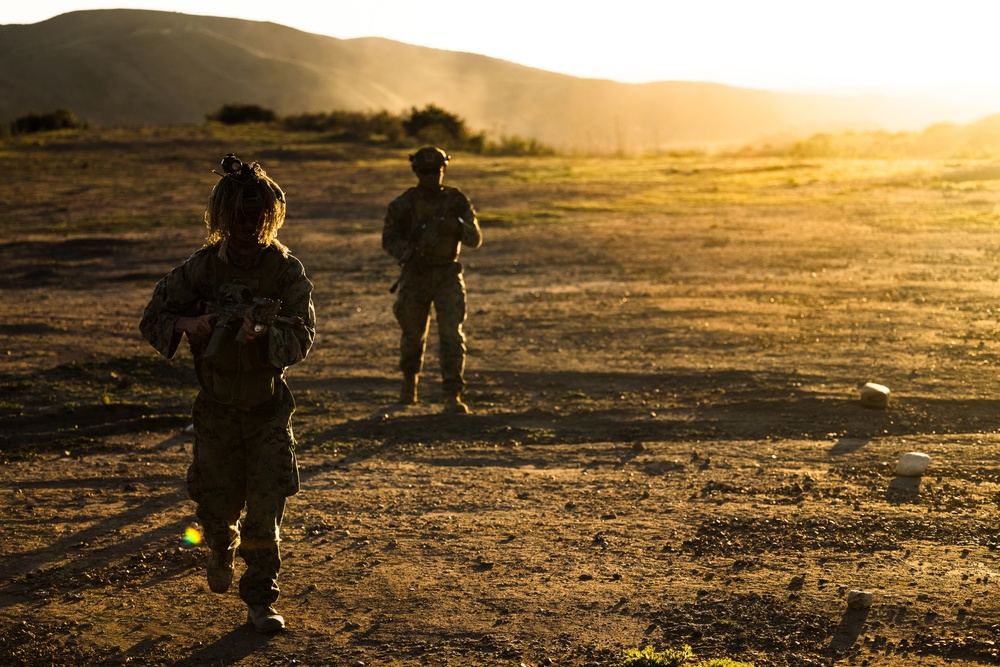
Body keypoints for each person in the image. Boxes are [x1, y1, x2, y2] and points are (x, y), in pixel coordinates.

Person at [139, 154, 315, 633]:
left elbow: (304, 337)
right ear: (222, 217)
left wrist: (267, 338)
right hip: (216, 411)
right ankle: (220, 543)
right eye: (237, 217)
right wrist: (187, 323)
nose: (245, 226)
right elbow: (152, 316)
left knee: (265, 511)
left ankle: (260, 600)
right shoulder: (202, 270)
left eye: (256, 218)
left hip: (267, 411)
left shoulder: (285, 272)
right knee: (216, 508)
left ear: (269, 217)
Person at [382, 146, 483, 414]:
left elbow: (475, 239)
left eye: (435, 171)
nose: (430, 176)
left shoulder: (456, 201)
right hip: (416, 276)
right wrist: (408, 252)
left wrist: (457, 227)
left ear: (443, 171)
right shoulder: (403, 204)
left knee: (451, 334)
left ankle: (452, 394)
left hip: (447, 274)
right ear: (415, 171)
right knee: (413, 335)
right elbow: (388, 239)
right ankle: (409, 386)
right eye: (424, 171)